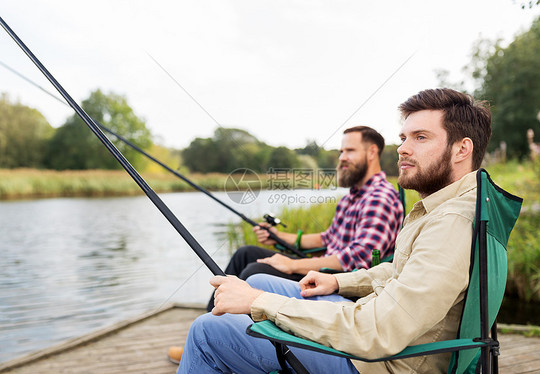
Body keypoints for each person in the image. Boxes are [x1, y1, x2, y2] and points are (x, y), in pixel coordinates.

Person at [177, 87, 493, 373]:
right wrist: (337, 280)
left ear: (461, 149)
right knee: (257, 277)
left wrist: (264, 299)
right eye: (403, 138)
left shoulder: (449, 221)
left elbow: (378, 329)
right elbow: (396, 270)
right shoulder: (443, 208)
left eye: (420, 137)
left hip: (381, 361)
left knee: (208, 331)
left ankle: (222, 350)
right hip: (377, 324)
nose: (402, 149)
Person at [167, 126, 404, 363]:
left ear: (372, 152)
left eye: (349, 151)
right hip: (321, 271)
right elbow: (327, 238)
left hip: (337, 283)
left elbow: (357, 258)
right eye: (341, 151)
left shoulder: (378, 197)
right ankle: (209, 327)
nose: (342, 158)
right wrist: (279, 236)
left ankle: (235, 345)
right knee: (245, 254)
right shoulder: (354, 196)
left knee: (254, 271)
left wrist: (292, 265)